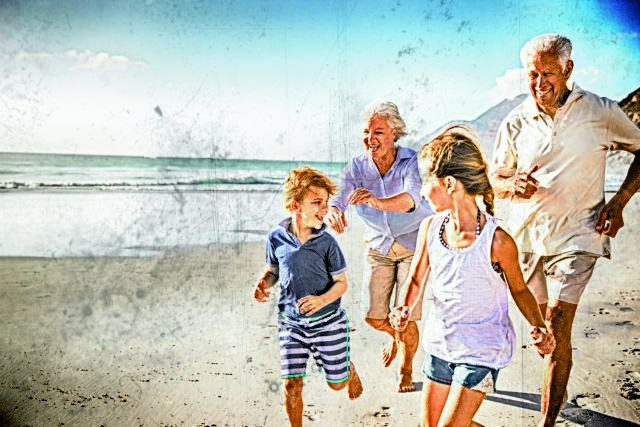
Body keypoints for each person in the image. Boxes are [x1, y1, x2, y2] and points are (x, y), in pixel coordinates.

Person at [491, 33, 640, 426]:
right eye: (532, 74)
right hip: (527, 240)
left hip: (579, 235)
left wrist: (620, 201)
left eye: (548, 73)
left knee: (557, 323)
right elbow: (495, 178)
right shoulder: (515, 120)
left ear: (568, 69)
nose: (540, 83)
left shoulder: (600, 111)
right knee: (544, 332)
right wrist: (511, 184)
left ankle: (547, 422)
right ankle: (557, 376)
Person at [390, 126, 555, 427]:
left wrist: (538, 325)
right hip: (441, 343)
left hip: (482, 350)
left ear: (449, 183)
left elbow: (519, 290)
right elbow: (415, 279)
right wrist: (404, 308)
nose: (422, 190)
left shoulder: (497, 241)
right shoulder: (430, 228)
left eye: (427, 180)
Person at [327, 101, 433, 392]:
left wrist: (375, 201)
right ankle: (396, 337)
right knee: (373, 317)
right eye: (366, 131)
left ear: (394, 132)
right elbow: (339, 196)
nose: (370, 138)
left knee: (404, 315)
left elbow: (411, 199)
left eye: (378, 131)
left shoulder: (411, 161)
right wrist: (334, 211)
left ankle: (406, 370)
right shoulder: (357, 167)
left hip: (414, 245)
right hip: (378, 247)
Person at [253, 166, 363, 427]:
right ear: (295, 205)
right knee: (292, 385)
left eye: (326, 202)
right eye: (317, 202)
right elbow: (274, 270)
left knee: (336, 384)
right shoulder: (276, 238)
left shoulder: (327, 243)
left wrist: (321, 300)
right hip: (290, 324)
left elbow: (341, 283)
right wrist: (264, 282)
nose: (325, 209)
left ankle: (348, 370)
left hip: (329, 323)